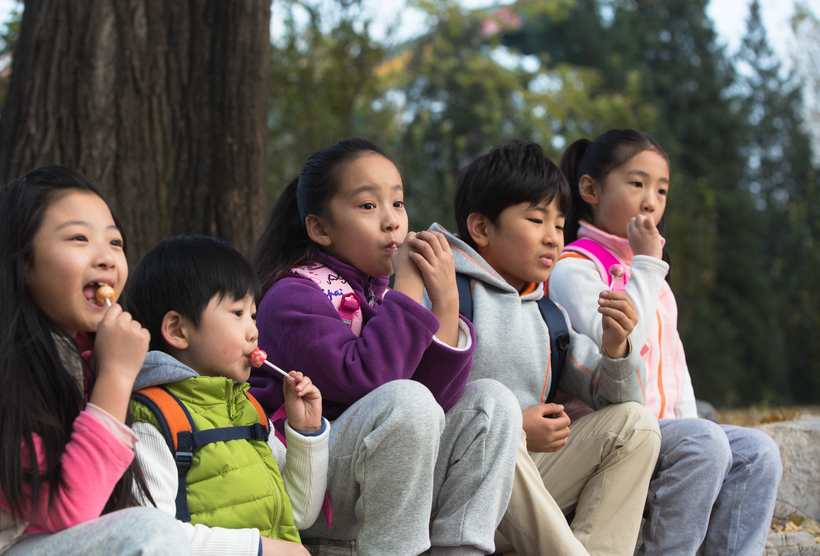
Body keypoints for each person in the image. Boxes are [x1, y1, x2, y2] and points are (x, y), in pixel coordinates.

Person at [249, 138, 520, 556]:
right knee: (406, 401)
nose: (392, 221)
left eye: (397, 203)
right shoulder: (293, 295)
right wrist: (408, 285)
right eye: (368, 205)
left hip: (374, 469)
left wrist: (446, 302)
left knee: (492, 403)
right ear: (320, 228)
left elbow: (436, 400)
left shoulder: (377, 297)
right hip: (307, 484)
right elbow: (371, 381)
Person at [0, 166, 189, 556]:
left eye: (115, 242)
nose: (106, 258)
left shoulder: (84, 361)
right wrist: (117, 377)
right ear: (24, 263)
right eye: (79, 238)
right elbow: (69, 509)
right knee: (149, 533)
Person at [549, 129, 783, 556]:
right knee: (703, 442)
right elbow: (621, 352)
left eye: (661, 189)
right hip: (613, 431)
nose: (650, 201)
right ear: (591, 190)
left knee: (757, 452)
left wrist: (699, 428)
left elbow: (676, 366)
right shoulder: (576, 267)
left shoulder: (650, 270)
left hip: (670, 430)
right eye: (637, 183)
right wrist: (647, 263)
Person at [427, 139, 661, 556]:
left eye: (559, 224)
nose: (553, 238)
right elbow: (418, 405)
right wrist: (515, 428)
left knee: (636, 426)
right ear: (481, 228)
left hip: (524, 497)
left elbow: (618, 398)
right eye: (537, 220)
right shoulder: (444, 292)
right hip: (451, 497)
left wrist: (616, 347)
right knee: (493, 409)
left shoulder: (549, 316)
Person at [125, 235, 329, 556]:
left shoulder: (249, 410)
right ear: (178, 330)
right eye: (237, 313)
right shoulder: (154, 419)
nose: (253, 331)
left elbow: (299, 513)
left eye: (253, 315)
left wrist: (306, 433)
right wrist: (259, 550)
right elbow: (154, 537)